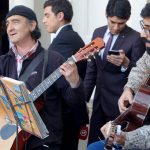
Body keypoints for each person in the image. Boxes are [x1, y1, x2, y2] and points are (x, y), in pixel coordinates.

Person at [2, 5, 87, 150]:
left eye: (15, 21)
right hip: (10, 140)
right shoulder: (3, 61)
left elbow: (75, 104)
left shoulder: (54, 60)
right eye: (7, 24)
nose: (9, 28)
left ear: (32, 25)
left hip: (44, 143)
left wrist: (75, 82)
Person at [87, 3, 150, 150]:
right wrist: (129, 88)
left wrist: (126, 138)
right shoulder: (149, 53)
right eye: (144, 27)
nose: (142, 34)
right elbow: (141, 69)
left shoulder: (135, 39)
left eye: (148, 29)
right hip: (102, 104)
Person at [43, 1, 88, 150]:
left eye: (47, 15)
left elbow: (58, 80)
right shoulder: (71, 37)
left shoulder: (63, 41)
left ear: (60, 16)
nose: (43, 20)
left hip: (65, 116)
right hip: (69, 115)